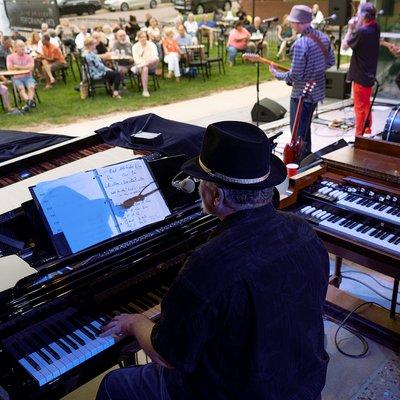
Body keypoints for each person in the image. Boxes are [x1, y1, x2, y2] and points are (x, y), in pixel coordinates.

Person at [96, 120, 330, 400]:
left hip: (233, 393)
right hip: (301, 384)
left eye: (200, 181)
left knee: (113, 385)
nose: (198, 188)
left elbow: (167, 356)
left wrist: (133, 322)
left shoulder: (208, 263)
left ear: (216, 195)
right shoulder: (303, 231)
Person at [269, 5, 334, 162]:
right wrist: (314, 72)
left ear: (301, 23)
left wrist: (277, 74)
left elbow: (295, 75)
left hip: (301, 96)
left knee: (298, 133)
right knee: (305, 129)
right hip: (317, 91)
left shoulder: (300, 44)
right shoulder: (323, 37)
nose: (291, 25)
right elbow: (330, 61)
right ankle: (308, 159)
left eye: (293, 22)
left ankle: (300, 165)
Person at [341, 3, 380, 136]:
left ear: (363, 15)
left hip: (360, 74)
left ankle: (359, 135)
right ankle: (368, 130)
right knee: (366, 104)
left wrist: (350, 29)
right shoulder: (375, 27)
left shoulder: (361, 32)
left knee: (359, 107)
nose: (356, 15)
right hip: (369, 73)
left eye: (358, 12)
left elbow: (344, 46)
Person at [6, 40, 36, 111]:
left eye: (23, 46)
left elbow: (31, 68)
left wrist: (18, 67)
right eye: (20, 46)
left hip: (28, 77)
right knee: (21, 89)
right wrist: (25, 67)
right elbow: (10, 68)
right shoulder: (10, 57)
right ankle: (29, 102)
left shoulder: (29, 57)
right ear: (15, 48)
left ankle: (28, 104)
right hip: (17, 78)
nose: (22, 48)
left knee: (31, 87)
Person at [131, 31, 159, 97]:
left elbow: (155, 56)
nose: (143, 38)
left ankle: (142, 66)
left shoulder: (152, 44)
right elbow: (136, 59)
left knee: (156, 58)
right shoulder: (135, 46)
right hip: (140, 66)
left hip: (151, 64)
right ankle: (145, 90)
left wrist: (146, 62)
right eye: (141, 37)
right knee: (145, 68)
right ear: (138, 38)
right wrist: (143, 64)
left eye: (144, 37)